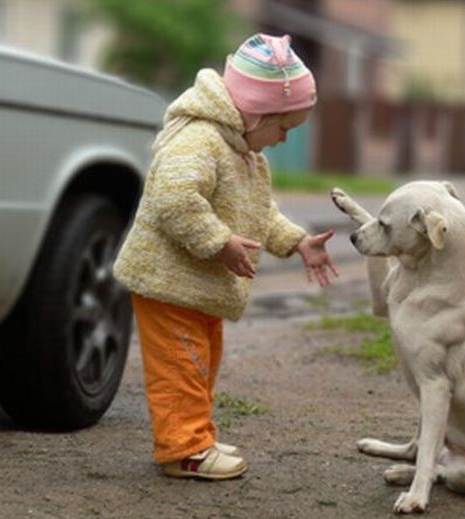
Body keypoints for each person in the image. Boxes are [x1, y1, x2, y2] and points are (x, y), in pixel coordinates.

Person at [113, 33, 337, 481]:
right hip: (169, 281)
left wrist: (296, 241)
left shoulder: (246, 153)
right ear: (256, 113)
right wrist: (219, 241)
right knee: (182, 366)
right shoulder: (200, 140)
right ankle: (185, 449)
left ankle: (196, 434)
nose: (282, 139)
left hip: (197, 287)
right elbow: (173, 198)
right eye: (284, 128)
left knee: (200, 363)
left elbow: (259, 212)